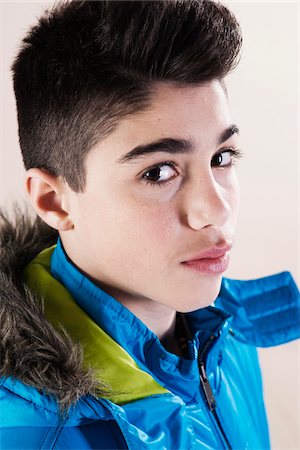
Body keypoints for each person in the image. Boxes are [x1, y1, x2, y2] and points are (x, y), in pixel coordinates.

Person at [0, 1, 299, 449]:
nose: (214, 210)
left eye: (221, 158)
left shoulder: (228, 337)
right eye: (159, 172)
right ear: (54, 200)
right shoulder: (31, 432)